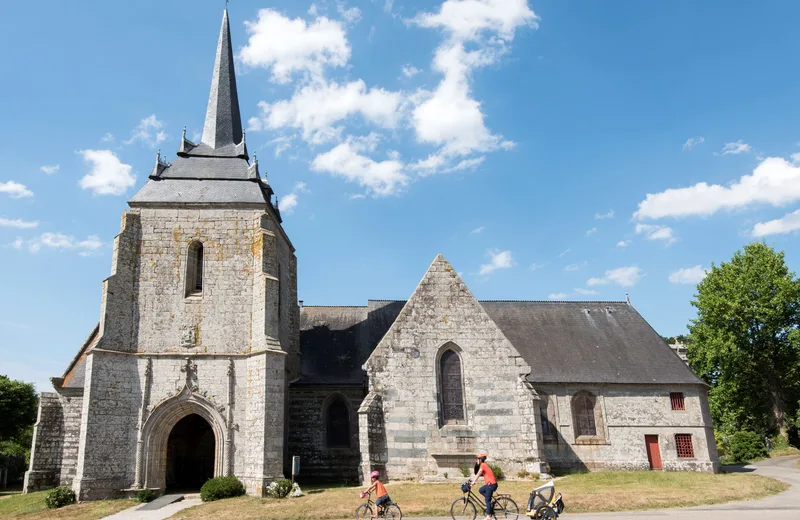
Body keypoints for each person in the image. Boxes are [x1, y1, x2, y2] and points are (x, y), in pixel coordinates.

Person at [471, 453, 498, 520]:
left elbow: (478, 474)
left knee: (487, 500)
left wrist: (474, 481)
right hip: (490, 484)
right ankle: (490, 502)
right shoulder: (483, 465)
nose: (476, 460)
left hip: (491, 484)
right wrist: (472, 480)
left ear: (480, 460)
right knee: (481, 490)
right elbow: (478, 474)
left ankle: (489, 516)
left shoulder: (483, 465)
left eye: (477, 459)